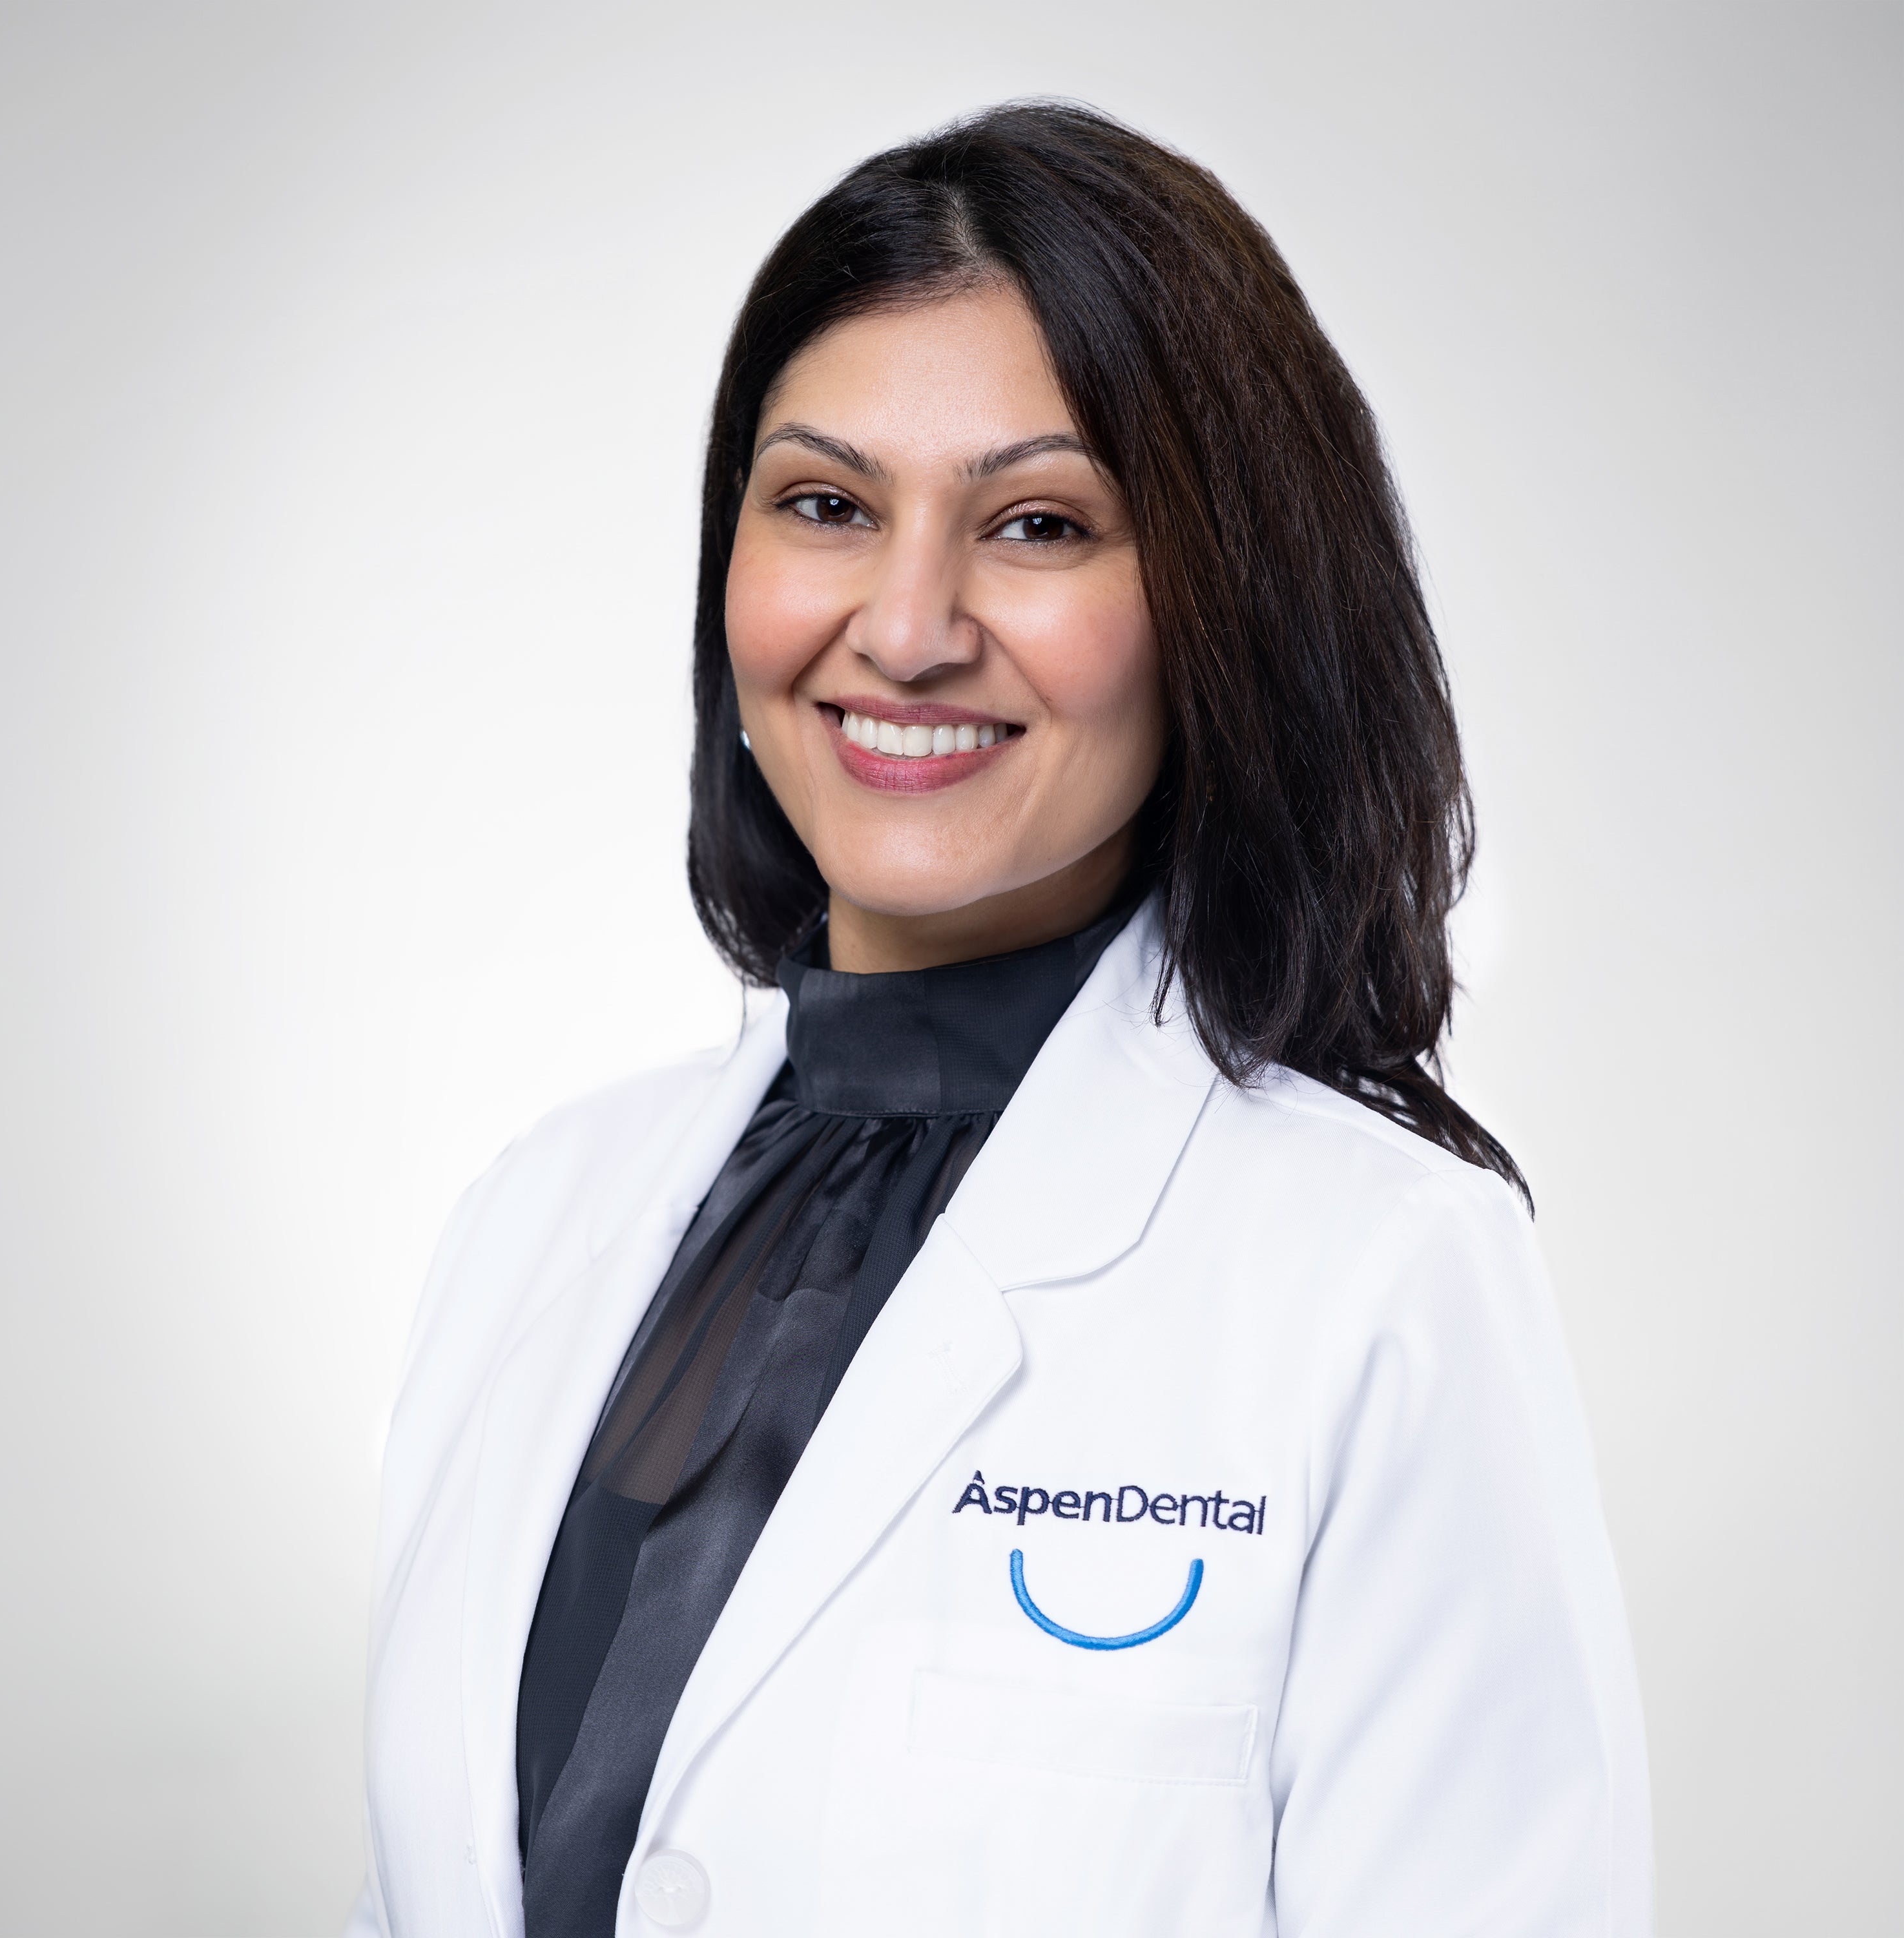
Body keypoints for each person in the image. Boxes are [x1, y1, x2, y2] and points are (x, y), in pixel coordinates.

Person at [347, 102, 1650, 1938]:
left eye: (1038, 523)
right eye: (827, 505)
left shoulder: (1382, 1277)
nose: (907, 627)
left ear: (1222, 597)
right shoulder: (536, 1221)